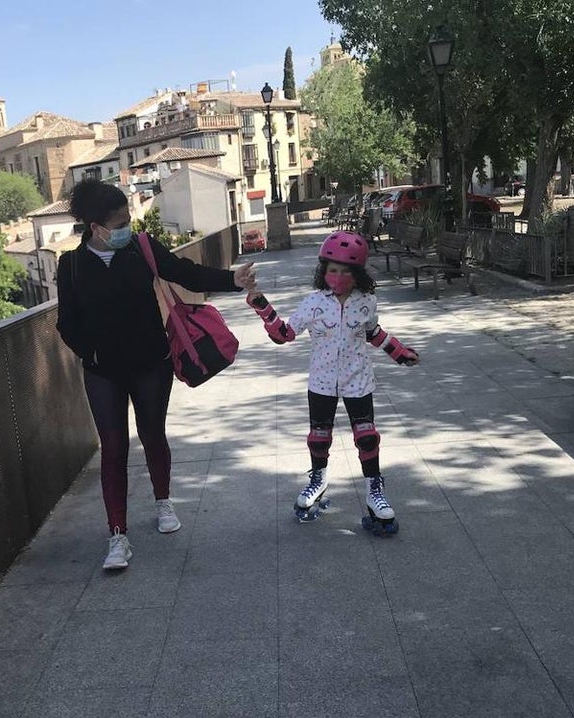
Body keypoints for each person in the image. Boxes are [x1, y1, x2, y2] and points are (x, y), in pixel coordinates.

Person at [56, 179, 257, 570]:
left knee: (152, 435)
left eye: (127, 219)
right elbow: (67, 322)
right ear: (96, 228)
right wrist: (91, 351)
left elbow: (186, 273)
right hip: (102, 372)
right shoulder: (73, 265)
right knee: (113, 449)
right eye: (118, 223)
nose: (126, 227)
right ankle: (118, 536)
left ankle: (163, 502)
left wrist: (231, 280)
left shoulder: (141, 248)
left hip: (151, 363)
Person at [245, 230, 420, 534]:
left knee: (367, 437)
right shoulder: (314, 303)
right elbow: (284, 334)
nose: (337, 276)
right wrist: (261, 304)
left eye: (345, 271)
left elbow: (373, 333)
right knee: (319, 437)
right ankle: (318, 479)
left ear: (357, 274)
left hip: (358, 380)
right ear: (323, 270)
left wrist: (400, 352)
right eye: (332, 270)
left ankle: (374, 490)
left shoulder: (366, 301)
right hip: (322, 382)